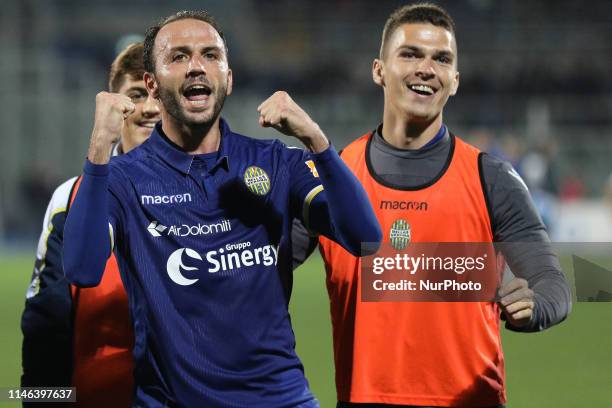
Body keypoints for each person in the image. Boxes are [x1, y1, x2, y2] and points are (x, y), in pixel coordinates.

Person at [62, 10, 381, 408]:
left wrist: (316, 140)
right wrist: (98, 151)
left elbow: (366, 238)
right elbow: (81, 268)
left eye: (210, 55)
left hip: (280, 399)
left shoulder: (276, 161)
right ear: (153, 85)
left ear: (227, 78)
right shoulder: (124, 179)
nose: (196, 66)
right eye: (178, 57)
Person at [292, 3, 572, 407]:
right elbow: (264, 268)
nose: (427, 68)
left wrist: (535, 306)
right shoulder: (334, 179)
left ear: (454, 81)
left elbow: (553, 284)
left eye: (441, 59)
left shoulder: (490, 178)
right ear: (379, 70)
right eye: (410, 54)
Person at [21, 42, 159, 407]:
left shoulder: (210, 194)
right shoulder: (70, 199)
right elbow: (45, 328)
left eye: (158, 94)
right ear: (114, 104)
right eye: (135, 94)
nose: (148, 108)